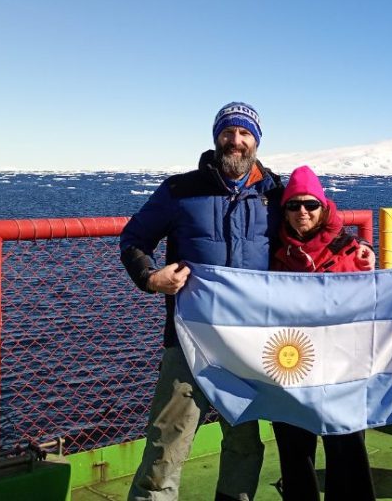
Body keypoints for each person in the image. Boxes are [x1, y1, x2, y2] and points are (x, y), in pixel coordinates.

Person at [120, 102, 283, 501]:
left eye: (245, 133)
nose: (236, 140)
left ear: (256, 141)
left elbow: (316, 234)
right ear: (216, 137)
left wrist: (360, 248)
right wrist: (150, 276)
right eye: (229, 132)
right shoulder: (180, 190)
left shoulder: (276, 194)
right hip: (189, 338)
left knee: (244, 442)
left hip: (247, 344)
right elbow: (133, 240)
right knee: (166, 445)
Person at [270, 165, 376, 501]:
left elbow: (380, 296)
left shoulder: (350, 251)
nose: (302, 211)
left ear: (323, 207)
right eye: (293, 205)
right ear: (284, 211)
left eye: (310, 204)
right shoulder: (273, 253)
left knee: (347, 446)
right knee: (294, 449)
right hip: (292, 363)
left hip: (340, 367)